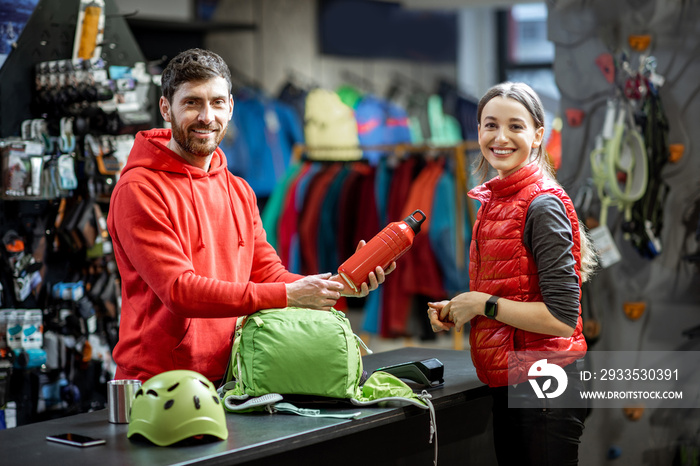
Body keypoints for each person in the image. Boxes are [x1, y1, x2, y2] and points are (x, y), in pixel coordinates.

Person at [107, 48, 391, 384]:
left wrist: (335, 288)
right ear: (166, 108)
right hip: (157, 383)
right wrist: (289, 296)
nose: (206, 116)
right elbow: (179, 290)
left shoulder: (239, 190)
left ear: (230, 107)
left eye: (216, 102)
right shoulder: (139, 189)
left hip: (233, 375)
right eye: (192, 103)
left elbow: (267, 273)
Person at [426, 82, 596, 465]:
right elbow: (514, 291)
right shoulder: (497, 200)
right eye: (490, 125)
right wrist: (461, 307)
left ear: (538, 134)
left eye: (515, 126)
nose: (500, 137)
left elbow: (561, 320)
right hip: (515, 376)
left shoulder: (541, 206)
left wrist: (481, 304)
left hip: (546, 383)